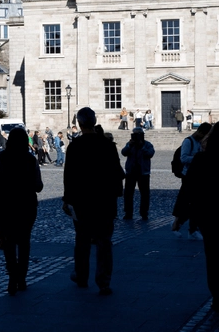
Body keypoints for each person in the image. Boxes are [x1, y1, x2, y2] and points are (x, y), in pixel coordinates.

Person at [181, 121, 219, 318]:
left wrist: (180, 215)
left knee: (212, 256)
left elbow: (188, 187)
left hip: (208, 213)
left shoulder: (201, 158)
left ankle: (218, 297)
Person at [62, 107, 124, 296]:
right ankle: (103, 281)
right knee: (104, 242)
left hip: (82, 202)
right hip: (104, 201)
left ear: (79, 124)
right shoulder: (108, 145)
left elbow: (69, 176)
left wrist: (67, 200)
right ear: (94, 121)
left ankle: (81, 276)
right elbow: (118, 172)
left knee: (82, 240)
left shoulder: (75, 146)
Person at [0, 127, 43, 296]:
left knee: (9, 243)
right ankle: (22, 277)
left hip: (6, 206)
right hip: (26, 205)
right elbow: (38, 185)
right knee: (24, 242)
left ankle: (13, 276)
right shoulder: (30, 159)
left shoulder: (3, 157)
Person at [173, 122, 212, 239]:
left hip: (200, 176)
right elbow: (183, 158)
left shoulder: (201, 142)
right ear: (201, 132)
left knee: (197, 204)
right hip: (188, 176)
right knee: (189, 203)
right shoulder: (188, 141)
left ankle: (191, 228)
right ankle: (180, 224)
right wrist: (200, 158)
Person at [121, 127, 155, 220]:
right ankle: (128, 213)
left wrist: (142, 147)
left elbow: (150, 154)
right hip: (131, 171)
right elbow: (123, 152)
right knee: (128, 193)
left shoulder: (147, 144)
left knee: (144, 194)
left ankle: (144, 213)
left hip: (143, 172)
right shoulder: (130, 144)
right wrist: (130, 145)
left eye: (138, 134)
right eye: (135, 134)